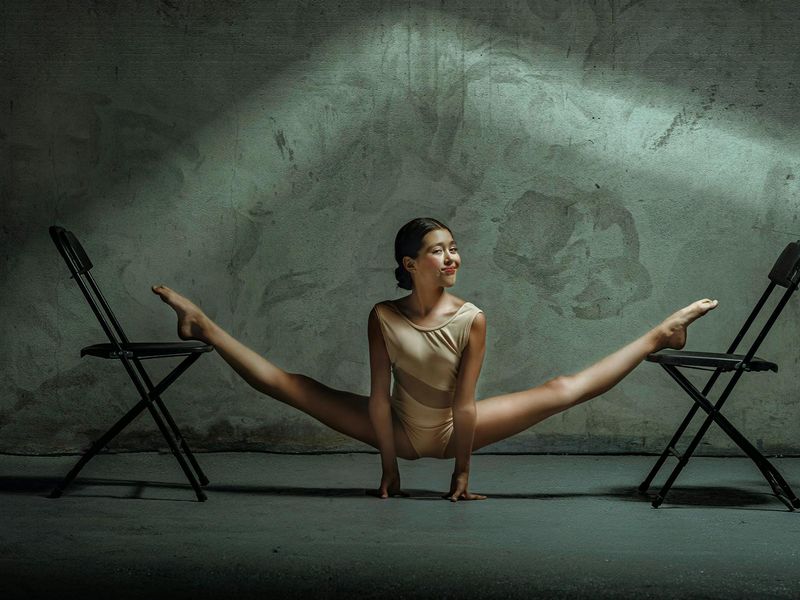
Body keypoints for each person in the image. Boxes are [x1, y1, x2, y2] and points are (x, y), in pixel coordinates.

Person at [151, 217, 718, 503]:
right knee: (290, 385)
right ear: (410, 262)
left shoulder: (472, 317)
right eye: (438, 249)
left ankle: (656, 335)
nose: (452, 256)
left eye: (452, 247)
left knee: (564, 387)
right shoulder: (382, 316)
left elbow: (467, 405)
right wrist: (389, 467)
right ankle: (204, 325)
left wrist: (462, 473)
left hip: (451, 430)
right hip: (394, 427)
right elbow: (377, 396)